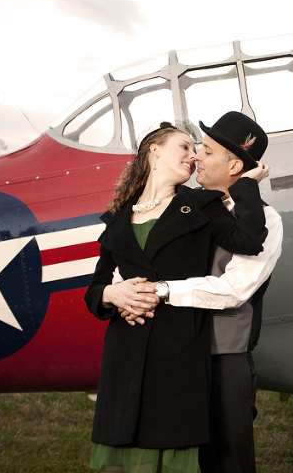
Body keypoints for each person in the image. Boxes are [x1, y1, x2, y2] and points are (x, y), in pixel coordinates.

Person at [84, 120, 270, 473]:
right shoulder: (117, 218)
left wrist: (246, 185)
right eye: (184, 147)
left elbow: (248, 241)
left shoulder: (202, 204)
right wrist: (113, 293)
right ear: (154, 152)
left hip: (177, 354)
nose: (194, 155)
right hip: (125, 354)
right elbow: (94, 292)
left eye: (197, 148)